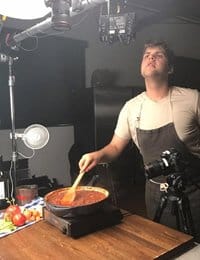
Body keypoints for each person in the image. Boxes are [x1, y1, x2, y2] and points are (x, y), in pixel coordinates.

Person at [79, 40, 200, 240]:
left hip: (194, 191)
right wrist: (97, 155)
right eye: (147, 55)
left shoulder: (192, 99)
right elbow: (115, 146)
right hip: (155, 194)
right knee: (162, 244)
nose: (151, 57)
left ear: (170, 68)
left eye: (158, 55)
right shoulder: (131, 107)